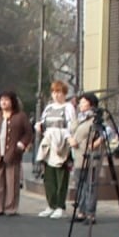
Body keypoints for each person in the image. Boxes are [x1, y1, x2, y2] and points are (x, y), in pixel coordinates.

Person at [0, 91, 34, 216]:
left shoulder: (20, 116)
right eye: (1, 100)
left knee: (12, 181)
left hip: (13, 154)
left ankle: (10, 207)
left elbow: (28, 133)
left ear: (12, 101)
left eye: (6, 100)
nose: (3, 102)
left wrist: (21, 145)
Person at [35, 80, 77, 218]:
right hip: (49, 144)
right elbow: (43, 123)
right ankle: (50, 204)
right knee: (49, 176)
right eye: (53, 92)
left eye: (58, 92)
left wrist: (67, 138)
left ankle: (60, 205)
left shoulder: (68, 108)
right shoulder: (48, 108)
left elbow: (71, 126)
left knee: (61, 176)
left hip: (62, 145)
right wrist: (39, 127)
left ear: (64, 93)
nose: (56, 95)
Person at [68, 92, 107, 224]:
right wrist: (70, 139)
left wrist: (94, 144)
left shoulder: (95, 118)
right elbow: (70, 131)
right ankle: (81, 211)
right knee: (80, 185)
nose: (80, 104)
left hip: (91, 157)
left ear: (91, 103)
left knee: (90, 185)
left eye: (83, 102)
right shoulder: (78, 118)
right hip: (78, 156)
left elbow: (105, 134)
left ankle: (91, 213)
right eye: (80, 102)